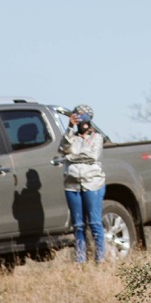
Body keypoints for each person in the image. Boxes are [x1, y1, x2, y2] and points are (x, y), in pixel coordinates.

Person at [59, 103, 105, 263]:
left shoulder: (97, 137)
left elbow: (92, 156)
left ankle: (100, 259)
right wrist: (70, 127)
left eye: (84, 117)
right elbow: (63, 148)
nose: (81, 121)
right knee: (78, 225)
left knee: (94, 222)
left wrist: (70, 157)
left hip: (93, 183)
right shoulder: (72, 136)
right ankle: (80, 260)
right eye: (78, 116)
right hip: (72, 184)